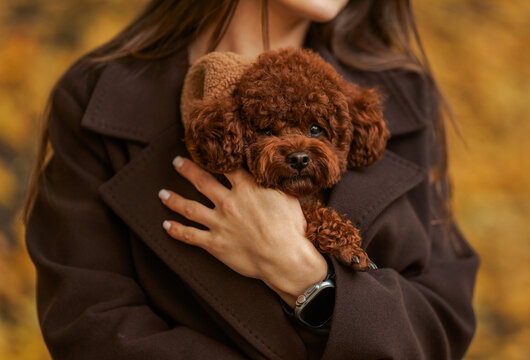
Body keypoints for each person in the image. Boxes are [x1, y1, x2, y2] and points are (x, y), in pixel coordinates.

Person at [24, 0, 479, 359]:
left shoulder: (400, 98)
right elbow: (90, 327)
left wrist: (304, 275)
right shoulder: (97, 101)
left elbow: (441, 322)